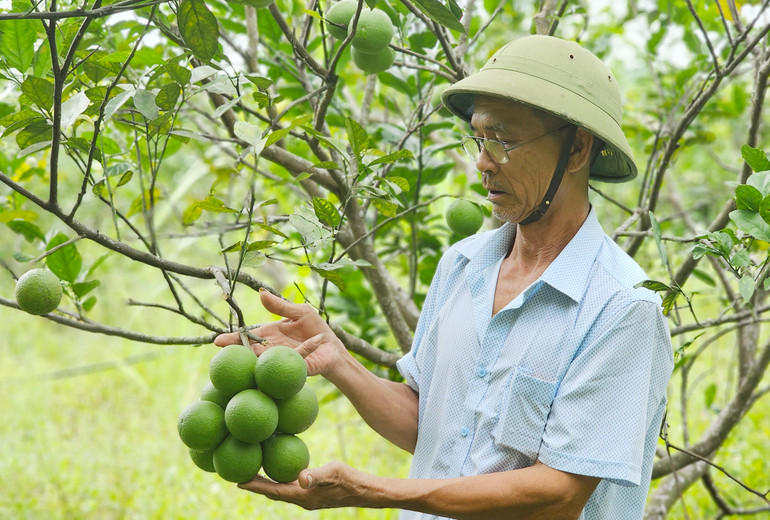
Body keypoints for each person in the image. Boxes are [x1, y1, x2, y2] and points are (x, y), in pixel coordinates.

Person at [215, 34, 674, 520]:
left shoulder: (624, 309)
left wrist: (376, 491)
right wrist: (338, 361)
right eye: (478, 138)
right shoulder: (463, 265)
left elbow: (558, 493)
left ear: (577, 147)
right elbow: (430, 422)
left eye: (503, 139)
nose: (481, 161)